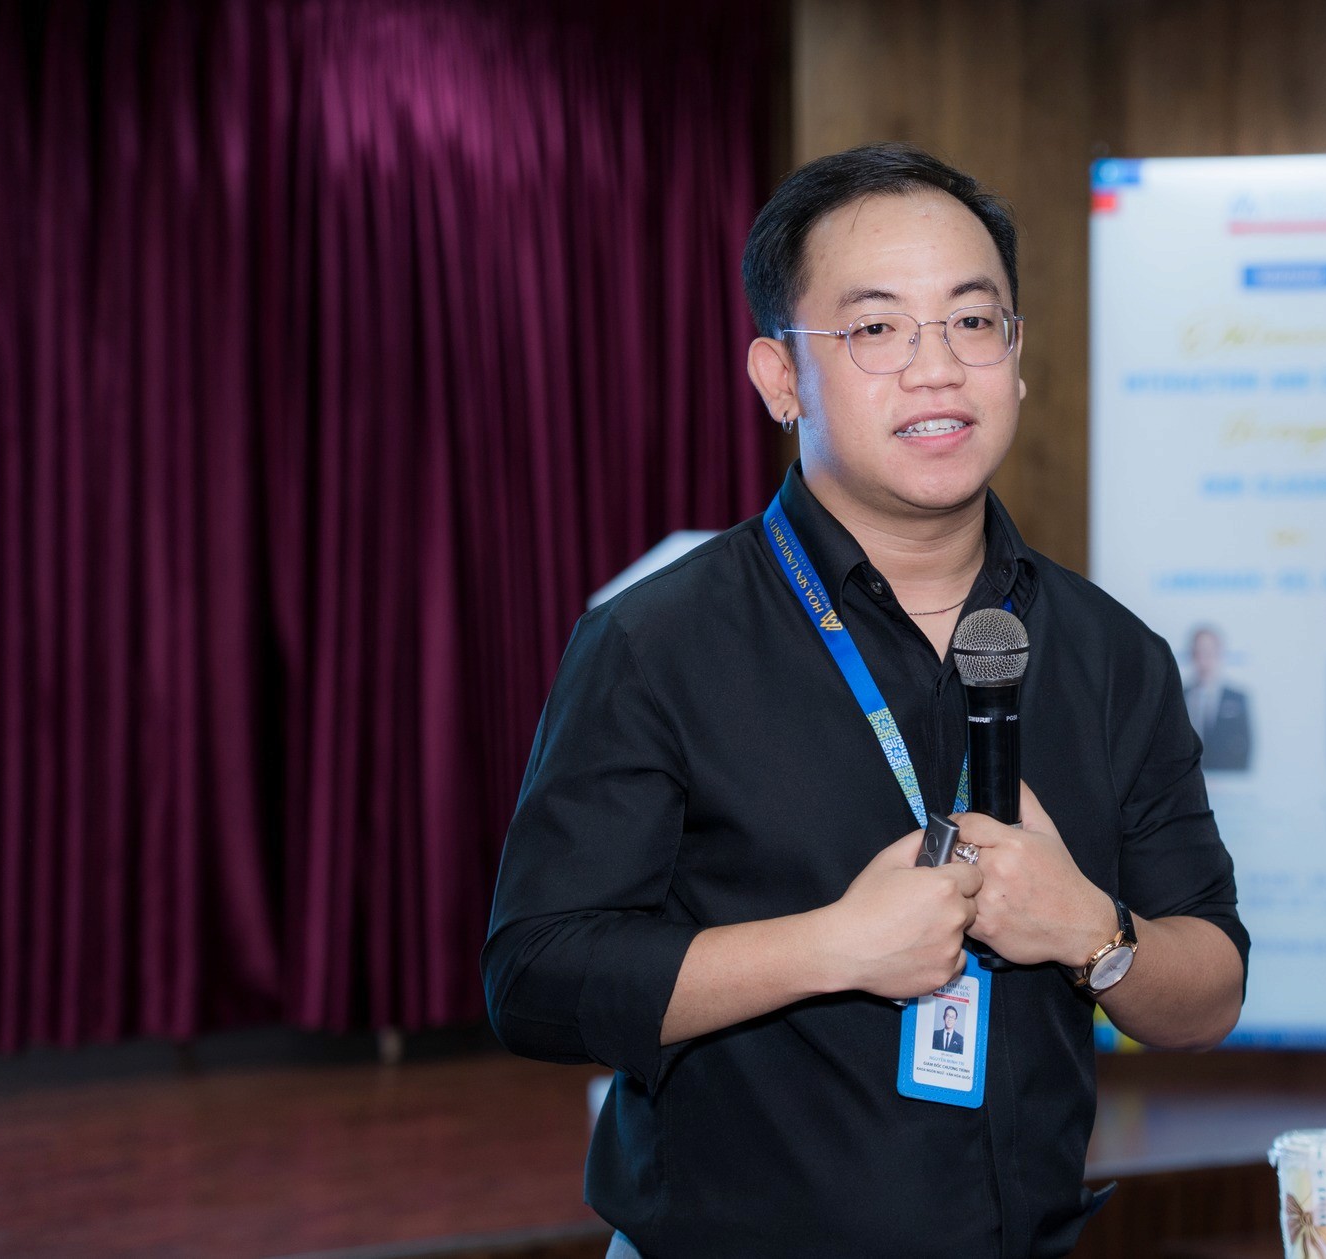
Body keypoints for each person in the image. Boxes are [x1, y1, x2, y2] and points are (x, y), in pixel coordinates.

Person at [483, 143, 1249, 1259]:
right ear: (780, 379)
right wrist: (831, 947)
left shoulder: (1112, 654)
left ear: (1015, 357)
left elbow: (1212, 986)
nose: (936, 369)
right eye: (877, 328)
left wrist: (1094, 933)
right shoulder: (655, 643)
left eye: (972, 321)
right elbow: (535, 980)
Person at [1183, 625, 1253, 772]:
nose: (1204, 659)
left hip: (1225, 776)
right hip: (1187, 776)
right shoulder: (1181, 695)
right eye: (1199, 652)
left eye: (1209, 652)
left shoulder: (1237, 698)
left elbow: (1245, 746)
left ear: (1219, 653)